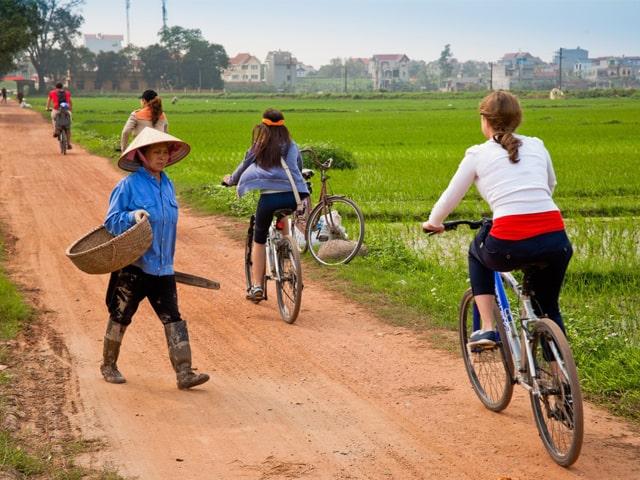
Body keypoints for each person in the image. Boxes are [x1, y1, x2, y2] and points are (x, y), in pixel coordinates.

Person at [423, 91, 573, 347]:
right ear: (517, 120)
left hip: (508, 242)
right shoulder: (537, 144)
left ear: (484, 119)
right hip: (556, 240)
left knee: (476, 251)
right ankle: (562, 378)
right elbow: (550, 184)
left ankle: (488, 328)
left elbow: (451, 197)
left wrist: (433, 223)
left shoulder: (477, 154)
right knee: (548, 307)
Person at [102, 127, 209, 390]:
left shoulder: (167, 183)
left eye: (165, 153)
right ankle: (108, 364)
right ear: (142, 156)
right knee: (120, 314)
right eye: (156, 153)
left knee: (173, 317)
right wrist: (132, 215)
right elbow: (111, 221)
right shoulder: (128, 185)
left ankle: (184, 372)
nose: (162, 157)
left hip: (163, 267)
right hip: (134, 266)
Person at [223, 108, 309, 301]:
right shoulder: (291, 144)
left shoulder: (260, 145)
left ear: (263, 126)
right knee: (283, 217)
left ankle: (257, 286)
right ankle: (288, 254)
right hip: (292, 196)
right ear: (283, 126)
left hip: (269, 198)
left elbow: (244, 165)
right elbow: (299, 166)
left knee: (259, 239)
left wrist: (231, 180)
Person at [46, 82, 73, 148]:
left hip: (56, 110)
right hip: (66, 110)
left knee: (54, 118)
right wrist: (70, 109)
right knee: (68, 127)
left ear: (56, 87)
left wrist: (47, 108)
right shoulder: (67, 93)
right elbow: (70, 102)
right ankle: (68, 144)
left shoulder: (52, 92)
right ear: (62, 87)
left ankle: (56, 130)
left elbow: (49, 101)